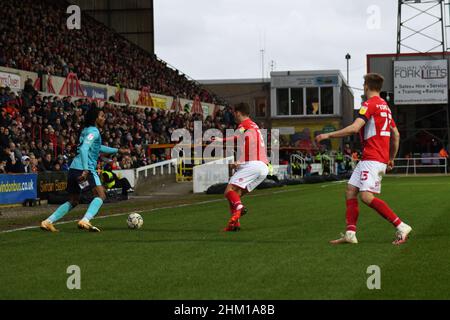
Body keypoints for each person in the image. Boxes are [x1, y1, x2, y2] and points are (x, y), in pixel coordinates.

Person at [315, 73, 412, 245]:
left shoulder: (369, 104)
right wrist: (391, 158)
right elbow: (396, 135)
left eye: (364, 84)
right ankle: (350, 233)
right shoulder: (385, 107)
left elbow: (354, 128)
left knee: (366, 197)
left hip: (372, 158)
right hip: (374, 158)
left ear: (366, 86)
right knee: (351, 190)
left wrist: (327, 135)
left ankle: (401, 225)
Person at [40, 104, 129, 232]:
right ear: (95, 118)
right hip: (84, 169)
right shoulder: (94, 131)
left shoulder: (86, 130)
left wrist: (117, 150)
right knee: (101, 195)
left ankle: (47, 221)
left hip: (73, 168)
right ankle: (85, 220)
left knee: (74, 200)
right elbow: (84, 148)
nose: (104, 118)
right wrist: (86, 169)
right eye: (102, 116)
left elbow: (97, 148)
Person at [213, 102, 269, 232]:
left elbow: (239, 137)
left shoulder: (244, 125)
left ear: (238, 113)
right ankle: (234, 224)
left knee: (228, 191)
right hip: (263, 168)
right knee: (236, 195)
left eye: (234, 113)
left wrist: (239, 160)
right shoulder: (254, 125)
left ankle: (239, 209)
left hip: (252, 164)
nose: (234, 116)